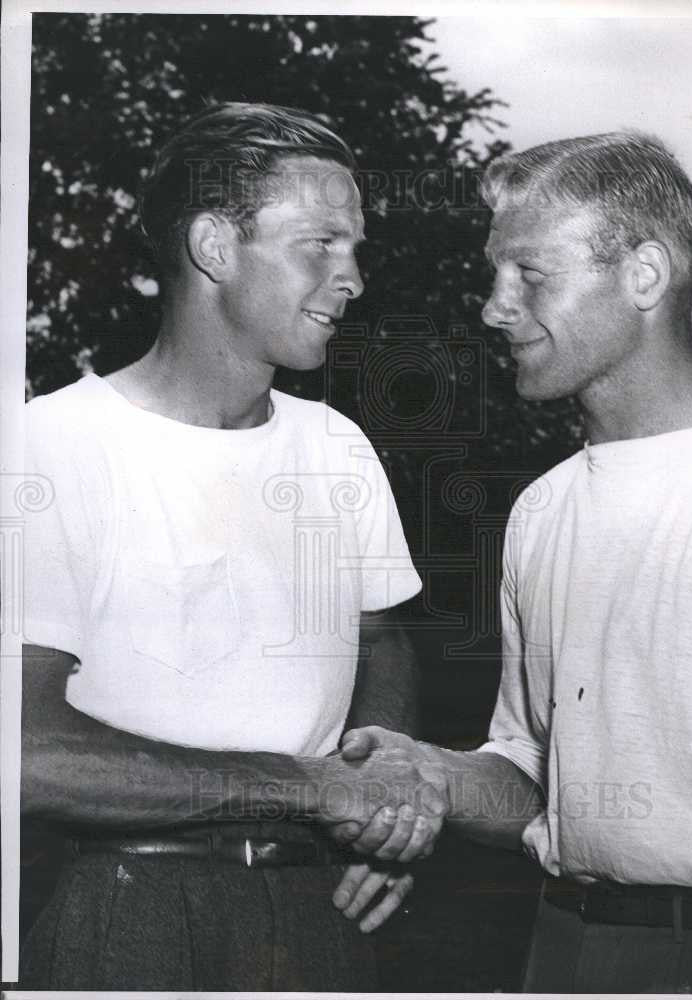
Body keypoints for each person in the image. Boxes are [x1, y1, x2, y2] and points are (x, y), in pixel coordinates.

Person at [336, 131, 692, 993]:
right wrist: (428, 774)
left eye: (530, 275)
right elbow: (530, 775)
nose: (492, 308)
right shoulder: (541, 512)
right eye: (494, 275)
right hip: (566, 951)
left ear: (644, 275)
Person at [20, 102, 449, 991]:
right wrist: (312, 788)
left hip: (318, 904)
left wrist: (387, 790)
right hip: (127, 901)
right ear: (216, 247)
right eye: (321, 243)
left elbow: (382, 637)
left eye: (356, 248)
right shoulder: (48, 446)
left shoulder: (337, 446)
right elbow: (24, 752)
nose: (353, 278)